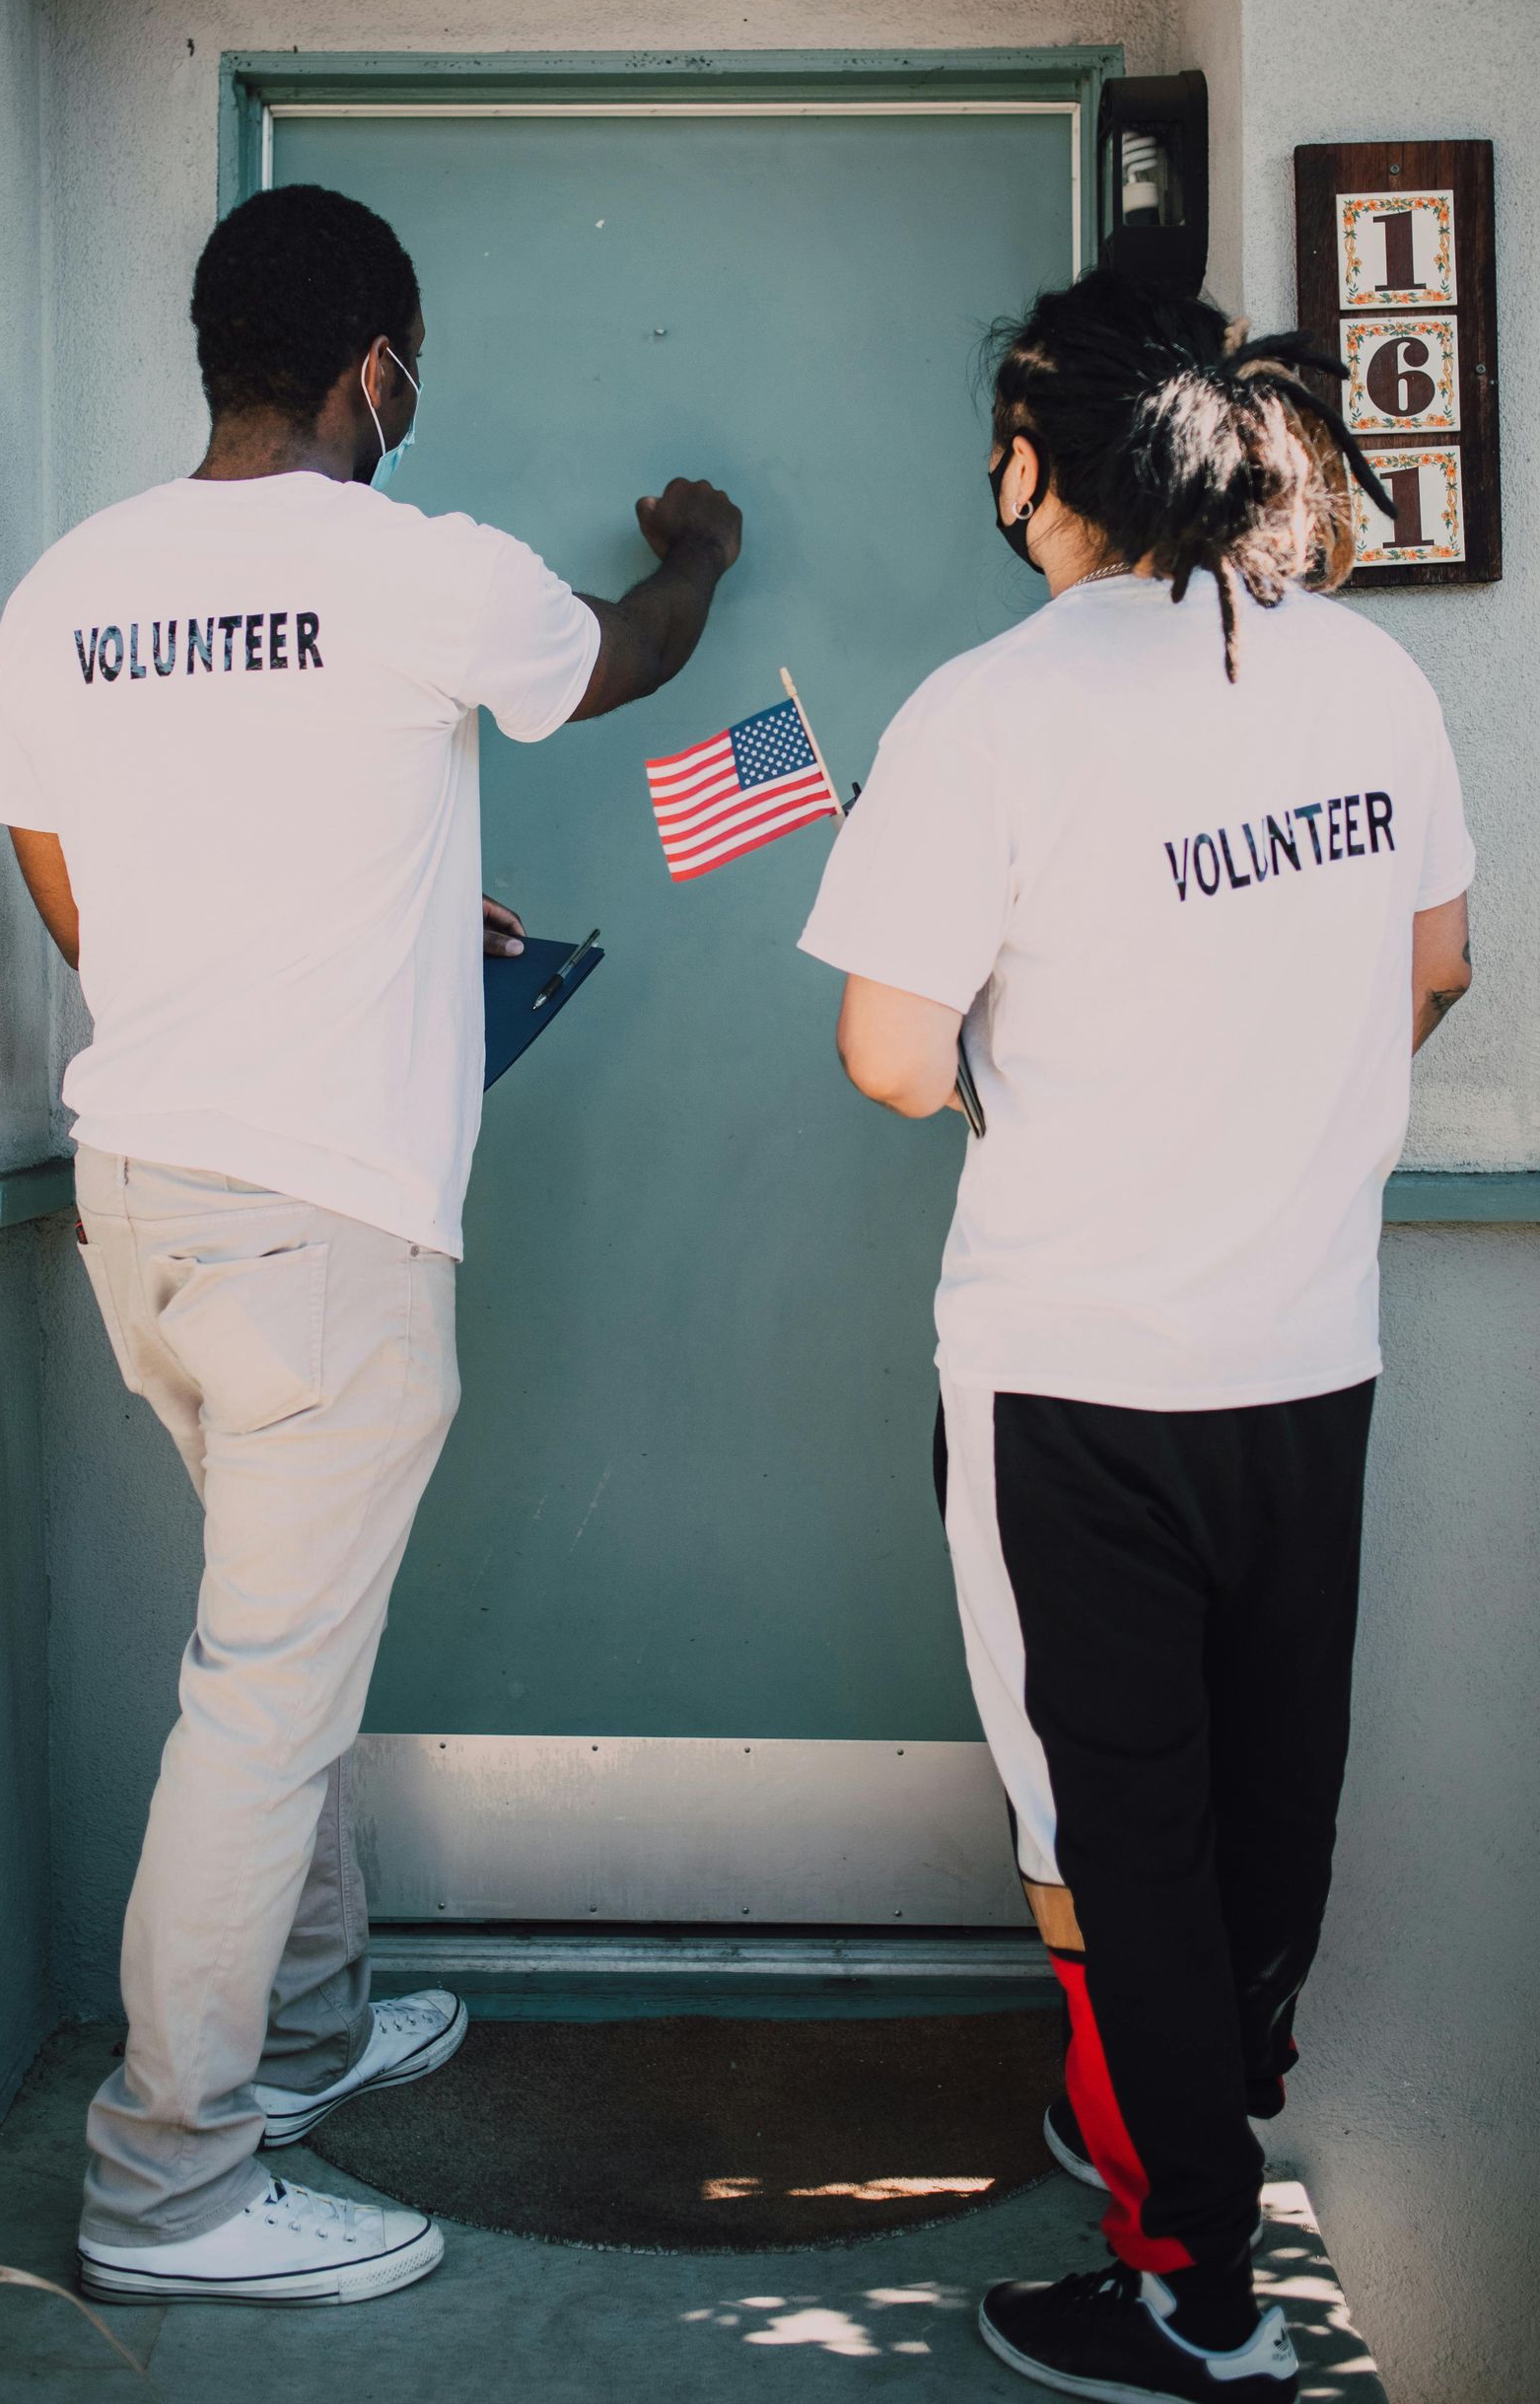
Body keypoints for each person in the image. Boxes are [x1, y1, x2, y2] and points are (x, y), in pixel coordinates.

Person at [0, 182, 743, 2307]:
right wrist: (698, 553)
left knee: (266, 1656)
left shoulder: (72, 589)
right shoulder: (415, 573)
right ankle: (174, 2189)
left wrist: (339, 947)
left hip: (143, 1196)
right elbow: (627, 662)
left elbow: (72, 874)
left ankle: (301, 2039)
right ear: (374, 367)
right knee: (259, 1707)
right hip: (324, 1227)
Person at [800, 269, 1473, 2403]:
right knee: (1272, 1798)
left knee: (1111, 1829)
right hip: (1310, 1349)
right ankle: (1193, 2122)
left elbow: (893, 1060)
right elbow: (1434, 967)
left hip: (1072, 1373)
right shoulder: (1365, 678)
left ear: (1037, 465)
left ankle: (1195, 2282)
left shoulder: (989, 712)